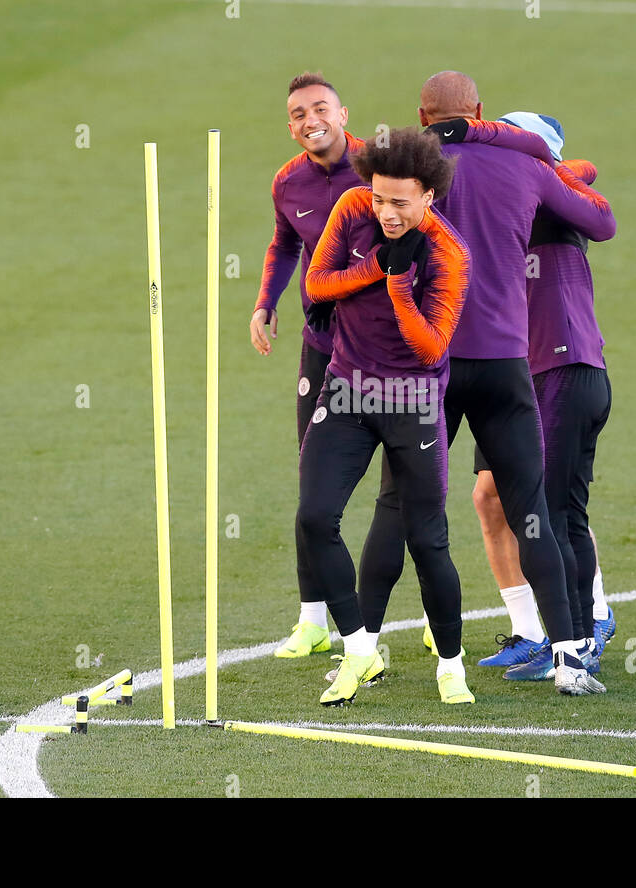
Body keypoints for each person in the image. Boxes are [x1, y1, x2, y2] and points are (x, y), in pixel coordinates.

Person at [355, 71, 616, 696]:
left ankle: (360, 646)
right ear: (479, 110)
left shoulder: (404, 181)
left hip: (431, 361)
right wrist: (519, 146)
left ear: (421, 113)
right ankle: (570, 655)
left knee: (398, 504)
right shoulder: (524, 167)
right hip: (505, 363)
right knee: (534, 510)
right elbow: (599, 220)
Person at [299, 127, 473, 706]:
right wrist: (378, 267)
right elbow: (318, 284)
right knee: (315, 517)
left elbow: (431, 348)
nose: (387, 211)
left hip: (413, 402)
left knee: (428, 541)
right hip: (346, 392)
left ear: (429, 196)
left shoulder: (449, 253)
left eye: (401, 201)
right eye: (380, 198)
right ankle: (358, 650)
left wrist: (399, 288)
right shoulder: (352, 209)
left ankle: (451, 665)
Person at [467, 113, 617, 681]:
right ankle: (533, 631)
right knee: (491, 498)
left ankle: (586, 624)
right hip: (511, 370)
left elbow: (582, 177)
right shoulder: (514, 193)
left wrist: (554, 168)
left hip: (561, 367)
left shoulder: (550, 205)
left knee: (550, 511)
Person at [247, 72, 367, 660]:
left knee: (409, 492)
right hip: (321, 347)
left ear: (344, 114)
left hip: (389, 353)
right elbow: (284, 242)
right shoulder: (287, 181)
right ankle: (313, 619)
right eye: (298, 114)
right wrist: (266, 303)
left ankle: (429, 617)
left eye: (320, 108)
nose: (309, 120)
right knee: (312, 483)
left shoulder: (383, 168)